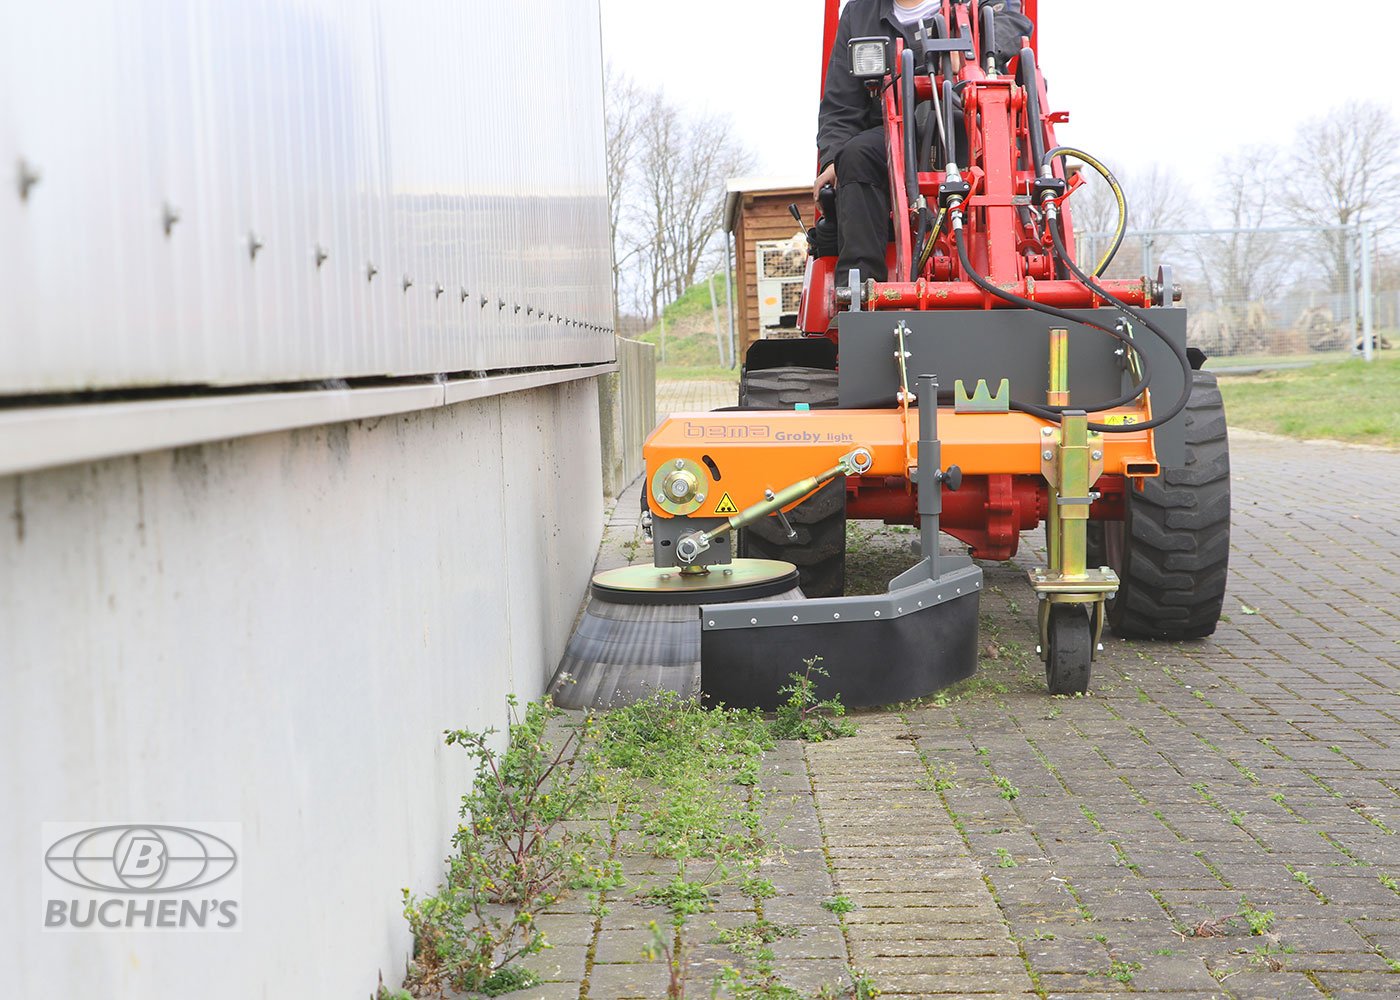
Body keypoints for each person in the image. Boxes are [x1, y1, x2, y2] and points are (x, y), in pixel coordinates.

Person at [816, 0, 1034, 286]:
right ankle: (861, 290)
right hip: (890, 131)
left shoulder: (977, 4)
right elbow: (842, 104)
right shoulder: (859, 13)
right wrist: (833, 159)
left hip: (970, 123)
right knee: (855, 156)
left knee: (1002, 160)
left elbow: (1013, 22)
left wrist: (972, 53)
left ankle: (1012, 268)